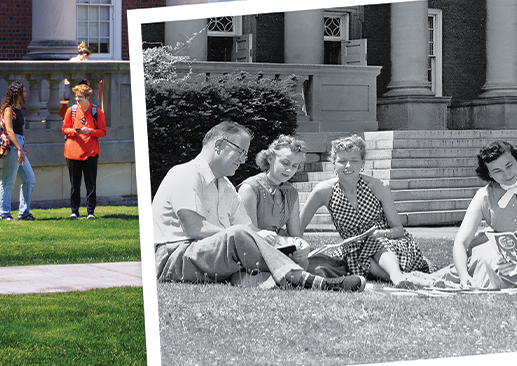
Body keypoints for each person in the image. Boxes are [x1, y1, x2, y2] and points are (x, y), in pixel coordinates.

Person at [152, 121, 365, 291]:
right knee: (238, 235)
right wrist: (252, 237)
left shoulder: (225, 185)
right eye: (240, 152)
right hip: (175, 257)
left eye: (246, 154)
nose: (244, 160)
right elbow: (195, 229)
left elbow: (252, 230)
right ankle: (310, 280)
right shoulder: (184, 173)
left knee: (252, 266)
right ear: (219, 145)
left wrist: (286, 244)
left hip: (212, 257)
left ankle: (290, 275)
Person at [299, 135, 432, 288]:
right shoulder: (324, 191)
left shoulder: (378, 186)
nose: (348, 166)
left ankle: (397, 276)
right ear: (333, 164)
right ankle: (401, 279)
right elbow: (299, 226)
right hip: (353, 250)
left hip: (392, 246)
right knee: (356, 253)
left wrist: (381, 234)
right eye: (342, 161)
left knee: (373, 241)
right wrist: (297, 248)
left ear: (362, 163)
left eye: (354, 160)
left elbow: (399, 229)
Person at [446, 140, 517, 290]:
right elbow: (460, 242)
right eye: (497, 171)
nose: (506, 174)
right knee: (488, 260)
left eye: (509, 165)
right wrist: (464, 276)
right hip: (499, 257)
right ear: (489, 174)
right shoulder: (483, 196)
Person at [237, 135, 345, 277]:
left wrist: (302, 246)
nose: (289, 170)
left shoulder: (291, 193)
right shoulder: (250, 188)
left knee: (319, 261)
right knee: (312, 267)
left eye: (294, 166)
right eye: (285, 163)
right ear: (270, 159)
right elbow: (245, 232)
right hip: (254, 250)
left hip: (279, 248)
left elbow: (296, 235)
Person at [62, 82, 106, 219]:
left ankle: (90, 212)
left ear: (87, 98)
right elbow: (64, 129)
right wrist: (74, 131)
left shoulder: (96, 112)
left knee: (90, 184)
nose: (77, 99)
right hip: (72, 152)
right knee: (75, 185)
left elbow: (103, 132)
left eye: (80, 96)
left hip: (91, 153)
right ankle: (74, 211)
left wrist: (90, 131)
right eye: (76, 96)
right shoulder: (71, 111)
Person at [0, 81, 35, 221]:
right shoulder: (9, 109)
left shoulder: (18, 108)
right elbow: (10, 131)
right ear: (16, 93)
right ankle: (4, 213)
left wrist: (23, 147)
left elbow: (19, 131)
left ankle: (24, 213)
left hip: (19, 146)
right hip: (12, 147)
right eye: (23, 92)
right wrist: (19, 148)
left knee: (29, 179)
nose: (25, 94)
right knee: (8, 180)